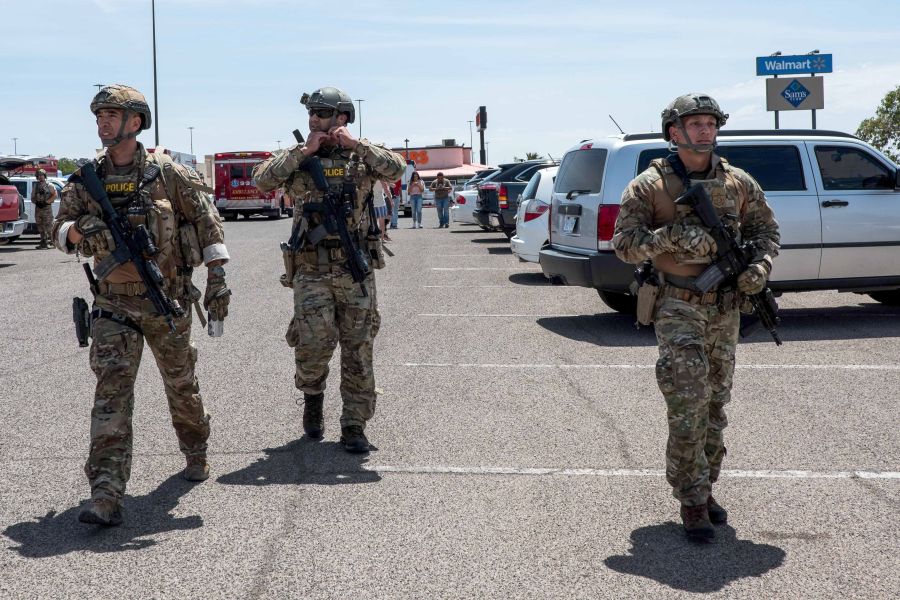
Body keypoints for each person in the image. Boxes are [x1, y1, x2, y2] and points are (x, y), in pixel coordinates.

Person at [52, 84, 231, 527]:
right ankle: (106, 493)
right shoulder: (87, 178)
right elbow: (58, 231)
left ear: (136, 122)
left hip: (166, 300)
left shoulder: (168, 173)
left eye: (112, 115)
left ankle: (196, 449)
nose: (103, 123)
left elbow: (209, 225)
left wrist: (218, 281)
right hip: (113, 303)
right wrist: (82, 229)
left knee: (181, 384)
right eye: (99, 117)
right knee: (110, 394)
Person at [612, 93, 780, 542]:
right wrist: (671, 237)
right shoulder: (650, 186)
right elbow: (624, 244)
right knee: (687, 399)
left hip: (725, 309)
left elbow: (766, 232)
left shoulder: (739, 182)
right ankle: (690, 499)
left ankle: (706, 488)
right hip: (678, 303)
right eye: (696, 123)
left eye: (710, 123)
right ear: (674, 132)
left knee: (715, 404)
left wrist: (759, 270)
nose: (705, 130)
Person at [253, 86, 404, 453]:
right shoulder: (300, 158)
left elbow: (397, 168)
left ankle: (354, 425)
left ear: (342, 117)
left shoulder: (362, 155)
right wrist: (304, 152)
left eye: (321, 114)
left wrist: (356, 146)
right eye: (311, 115)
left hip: (356, 270)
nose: (313, 120)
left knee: (358, 348)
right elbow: (262, 180)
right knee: (312, 346)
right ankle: (313, 398)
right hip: (311, 269)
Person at [32, 168, 57, 249]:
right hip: (38, 209)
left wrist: (46, 202)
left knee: (49, 226)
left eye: (42, 175)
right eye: (38, 175)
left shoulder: (50, 185)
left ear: (45, 176)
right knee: (40, 226)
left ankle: (52, 242)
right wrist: (36, 202)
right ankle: (43, 242)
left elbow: (55, 195)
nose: (40, 177)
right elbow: (32, 197)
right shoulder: (35, 186)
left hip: (47, 209)